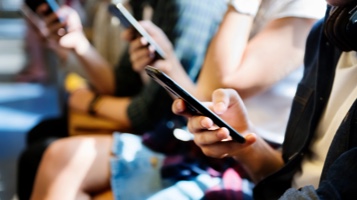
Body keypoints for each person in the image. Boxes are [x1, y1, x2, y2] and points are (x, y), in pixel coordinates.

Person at [25, 0, 227, 199]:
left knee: (45, 152)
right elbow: (122, 84)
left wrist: (91, 103)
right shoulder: (139, 5)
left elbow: (149, 114)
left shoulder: (184, 6)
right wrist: (78, 43)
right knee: (45, 145)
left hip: (180, 140)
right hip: (163, 131)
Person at [172, 0, 357, 199]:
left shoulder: (306, 10)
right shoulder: (330, 30)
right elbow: (292, 178)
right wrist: (244, 140)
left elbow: (221, 82)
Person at [126, 0, 326, 145]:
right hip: (209, 144)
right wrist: (166, 61)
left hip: (255, 155)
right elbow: (206, 101)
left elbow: (219, 87)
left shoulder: (307, 5)